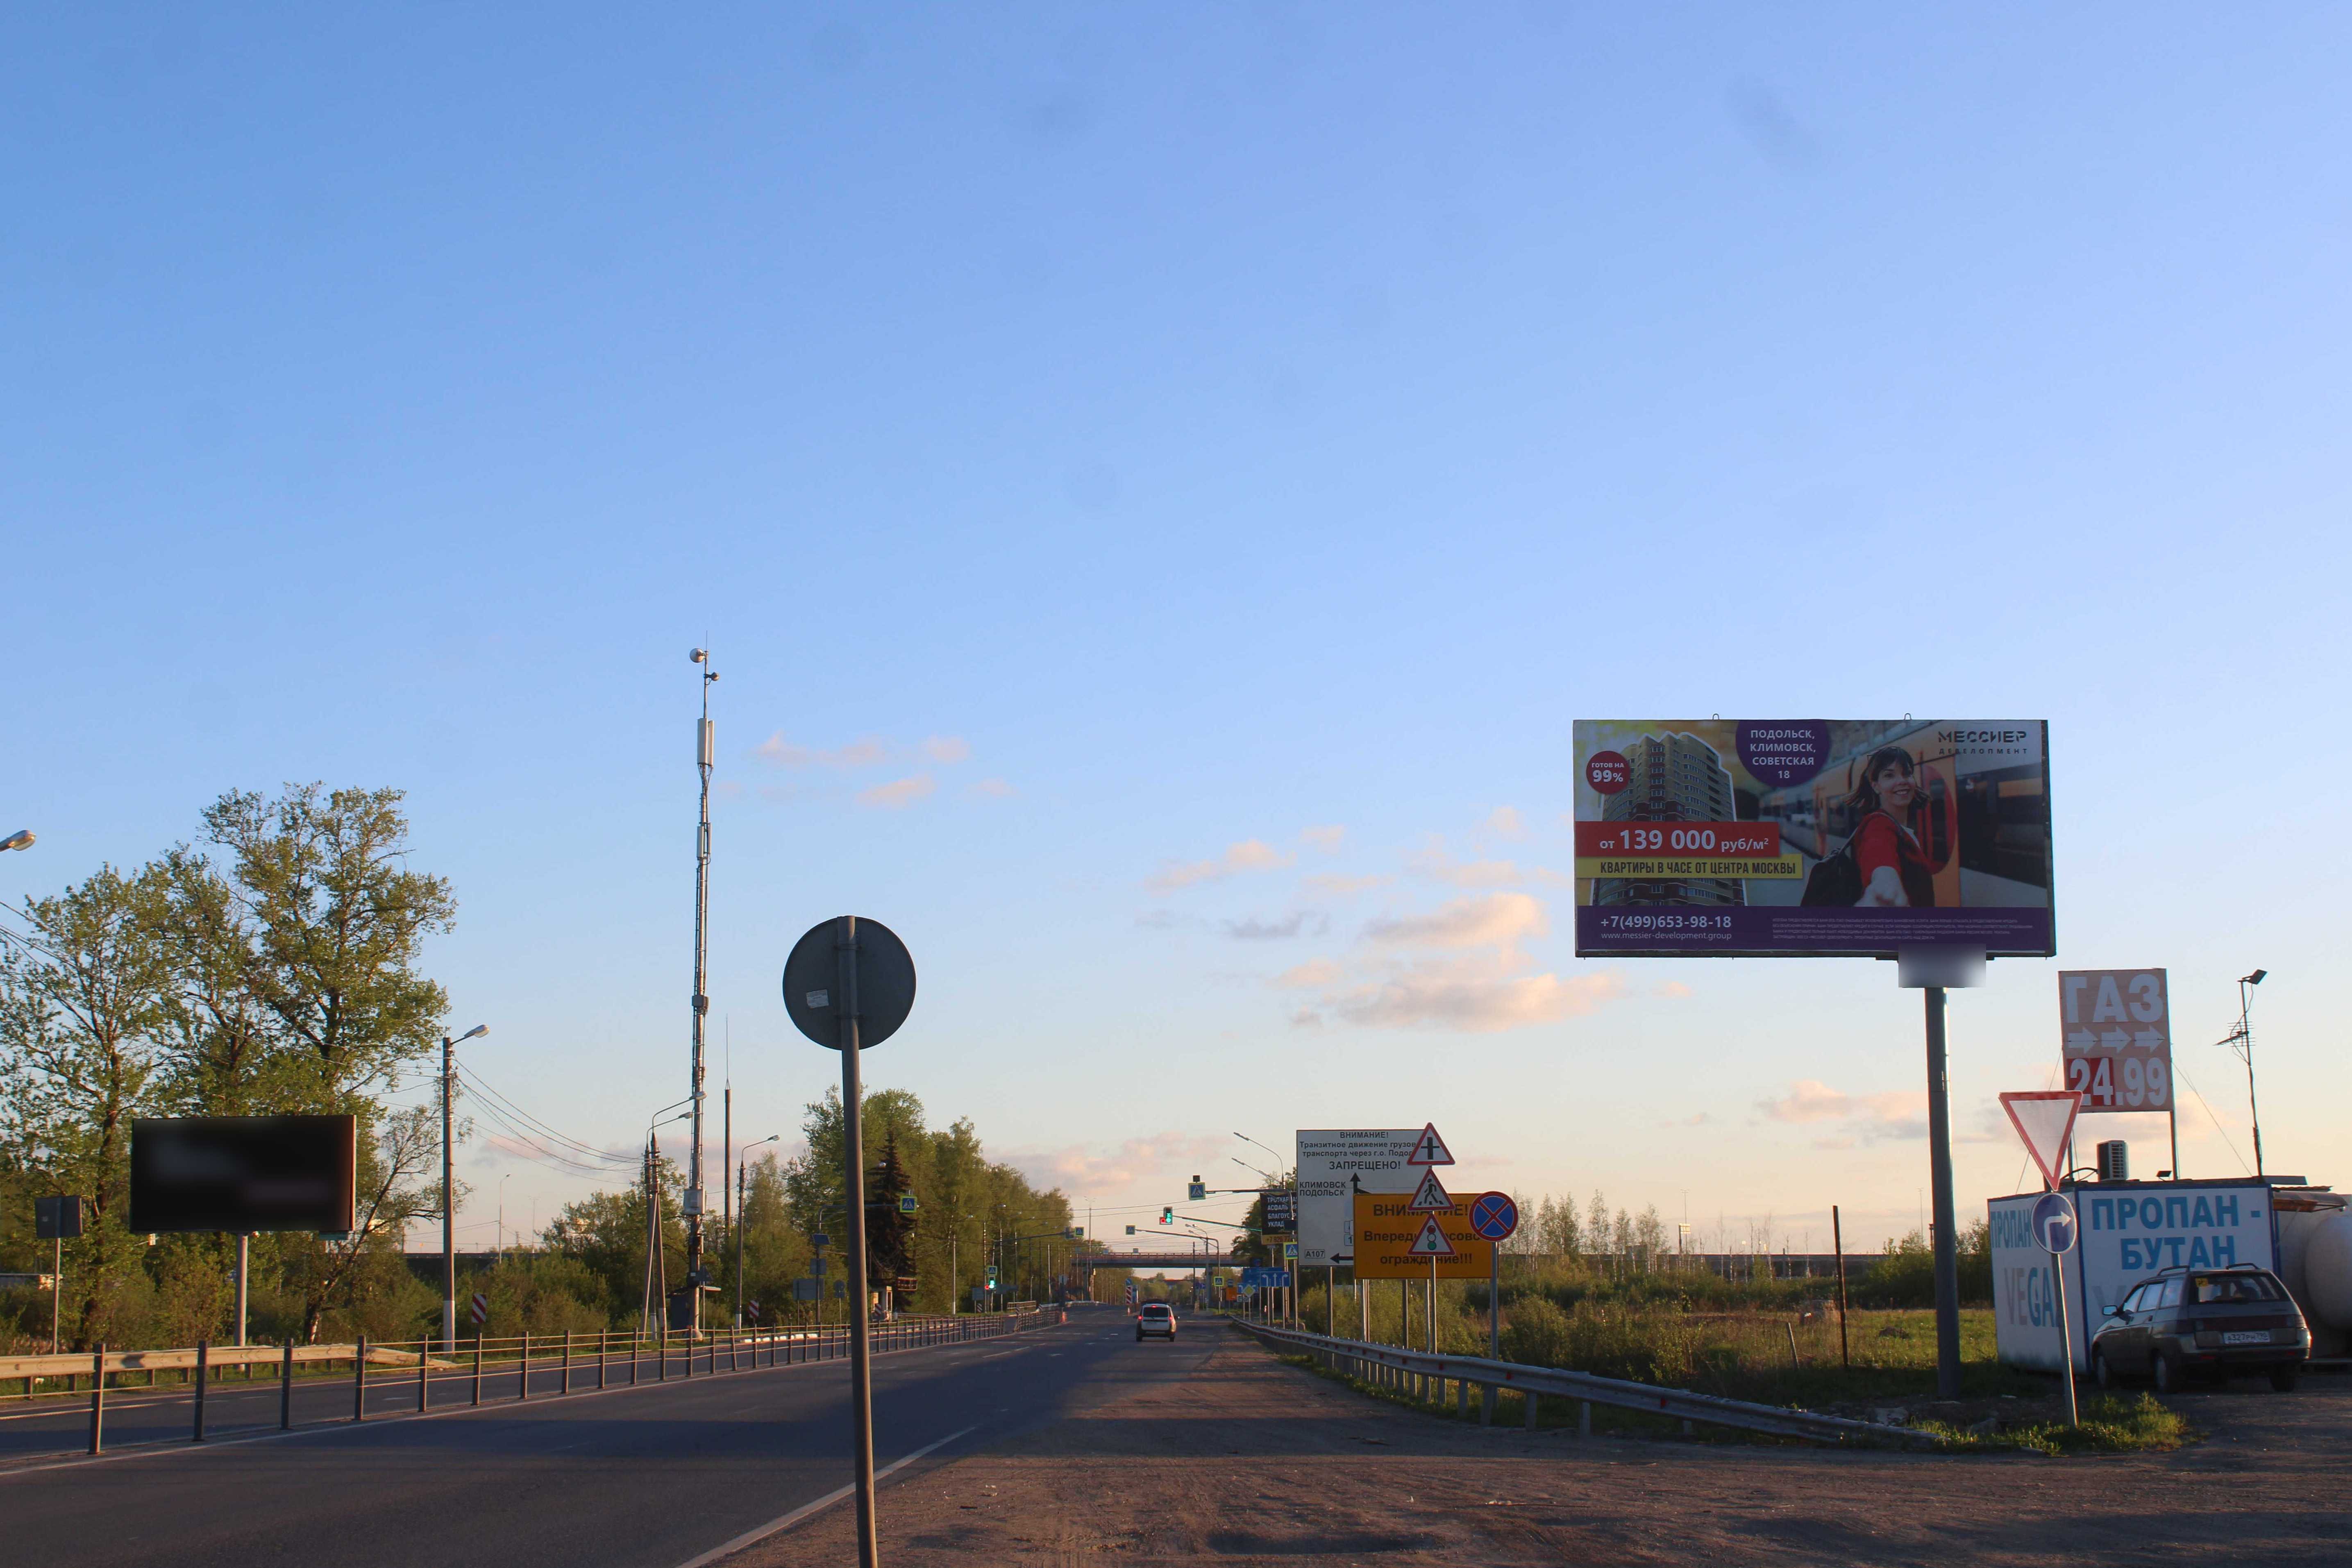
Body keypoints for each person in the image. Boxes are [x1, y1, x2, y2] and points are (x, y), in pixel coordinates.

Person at [1848, 746, 1937, 907]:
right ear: (1876, 786)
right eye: (1889, 775)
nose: (1902, 781)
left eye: (1907, 774)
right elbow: (1878, 850)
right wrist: (1885, 883)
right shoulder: (1878, 824)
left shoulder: (1901, 828)